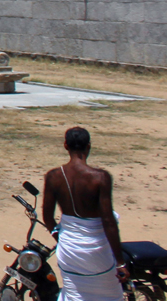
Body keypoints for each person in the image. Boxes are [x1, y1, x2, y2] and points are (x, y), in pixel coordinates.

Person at [42, 126, 128, 301]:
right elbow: (108, 222)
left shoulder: (53, 176)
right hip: (95, 250)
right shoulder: (100, 177)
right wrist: (120, 262)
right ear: (89, 146)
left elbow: (47, 217)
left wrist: (60, 238)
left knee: (74, 295)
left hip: (69, 249)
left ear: (66, 145)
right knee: (110, 296)